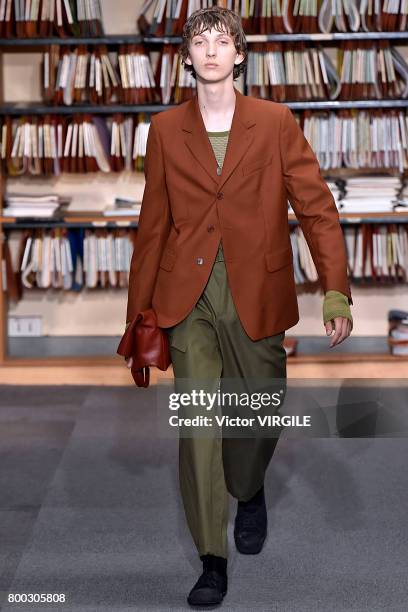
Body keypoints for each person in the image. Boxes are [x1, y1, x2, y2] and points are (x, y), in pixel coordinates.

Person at [124, 6, 353, 607]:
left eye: (220, 41)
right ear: (186, 57)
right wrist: (138, 318)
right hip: (186, 297)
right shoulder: (165, 129)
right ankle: (210, 559)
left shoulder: (275, 122)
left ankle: (248, 491)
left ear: (239, 53)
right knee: (199, 423)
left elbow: (316, 209)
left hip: (258, 292)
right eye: (199, 42)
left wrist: (335, 290)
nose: (210, 51)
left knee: (257, 416)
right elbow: (152, 229)